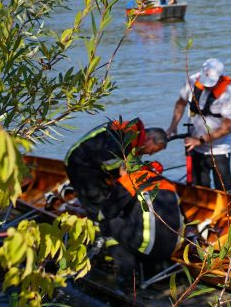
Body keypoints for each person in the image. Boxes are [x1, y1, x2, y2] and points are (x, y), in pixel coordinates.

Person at [65, 119, 181, 283]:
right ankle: (97, 246)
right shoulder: (122, 142)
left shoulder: (131, 138)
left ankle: (117, 260)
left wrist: (121, 181)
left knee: (107, 215)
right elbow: (112, 163)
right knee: (97, 209)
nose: (149, 154)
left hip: (96, 166)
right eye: (153, 151)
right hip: (81, 165)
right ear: (150, 140)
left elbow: (121, 171)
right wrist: (120, 178)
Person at [167, 58, 231, 190]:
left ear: (220, 78)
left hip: (219, 149)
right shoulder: (191, 82)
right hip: (195, 149)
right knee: (200, 190)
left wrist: (201, 140)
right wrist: (173, 126)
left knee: (224, 192)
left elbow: (227, 127)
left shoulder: (229, 93)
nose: (207, 86)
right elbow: (180, 103)